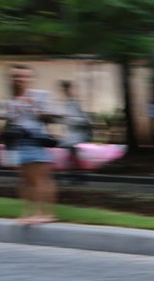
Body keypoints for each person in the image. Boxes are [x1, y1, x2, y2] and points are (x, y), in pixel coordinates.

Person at [2, 65, 60, 224]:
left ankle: (44, 213)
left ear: (30, 78)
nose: (19, 79)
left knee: (39, 179)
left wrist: (34, 106)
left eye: (24, 76)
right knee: (24, 180)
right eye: (16, 76)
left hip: (33, 139)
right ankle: (27, 212)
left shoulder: (40, 96)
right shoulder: (10, 101)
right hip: (16, 142)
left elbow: (54, 116)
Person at [58, 80, 91, 183]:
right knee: (72, 154)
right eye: (63, 89)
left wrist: (66, 119)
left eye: (66, 89)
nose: (64, 91)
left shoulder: (75, 103)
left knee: (72, 154)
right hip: (72, 134)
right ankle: (76, 175)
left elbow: (82, 119)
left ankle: (77, 175)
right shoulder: (68, 102)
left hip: (78, 134)